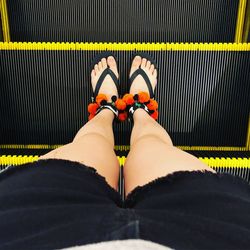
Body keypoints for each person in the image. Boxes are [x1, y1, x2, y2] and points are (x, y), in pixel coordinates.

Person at [0, 52, 250, 250]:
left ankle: (106, 108)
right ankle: (139, 109)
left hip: (28, 230)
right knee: (153, 146)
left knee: (88, 147)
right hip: (217, 233)